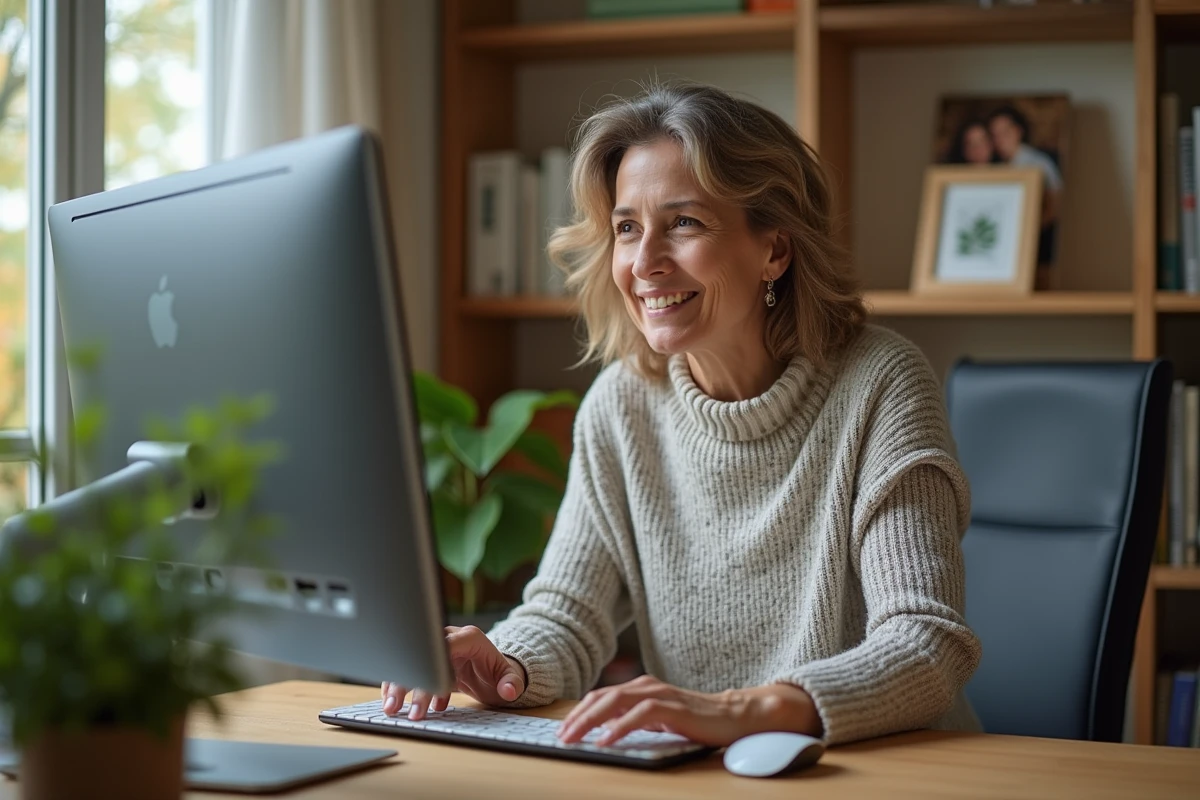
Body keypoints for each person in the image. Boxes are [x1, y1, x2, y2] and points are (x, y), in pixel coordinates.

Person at [382, 82, 982, 747]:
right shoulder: (621, 405)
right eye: (627, 228)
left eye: (685, 223)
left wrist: (743, 711)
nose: (644, 264)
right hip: (707, 772)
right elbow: (566, 615)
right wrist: (505, 664)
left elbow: (926, 645)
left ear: (774, 251)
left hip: (882, 771)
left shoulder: (881, 384)